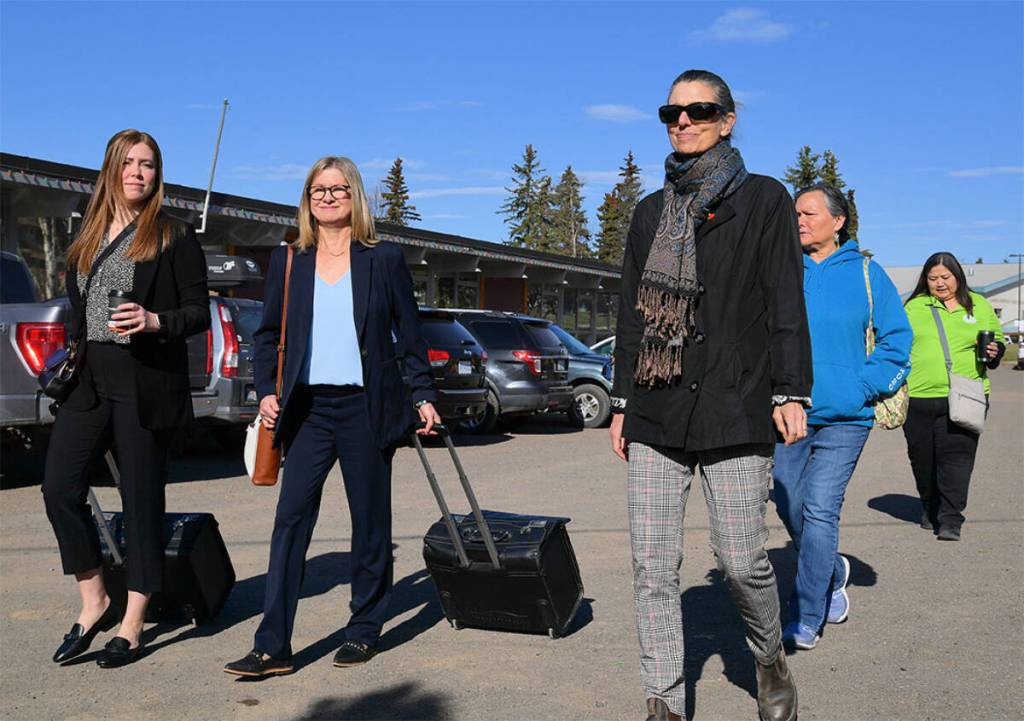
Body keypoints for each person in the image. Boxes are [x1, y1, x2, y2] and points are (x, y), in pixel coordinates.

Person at [608, 69, 811, 721]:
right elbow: (632, 316)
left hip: (736, 399)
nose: (683, 120)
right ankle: (663, 700)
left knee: (742, 557)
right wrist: (620, 402)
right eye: (672, 110)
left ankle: (769, 656)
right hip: (658, 404)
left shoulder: (765, 201)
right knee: (651, 564)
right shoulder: (650, 213)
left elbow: (784, 296)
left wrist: (790, 389)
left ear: (727, 119)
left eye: (700, 109)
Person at [224, 156, 440, 679]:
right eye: (317, 190)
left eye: (337, 189)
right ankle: (272, 646)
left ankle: (363, 629)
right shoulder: (290, 259)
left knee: (369, 524)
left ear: (354, 196)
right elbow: (266, 335)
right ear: (307, 199)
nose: (327, 197)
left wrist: (424, 395)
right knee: (290, 520)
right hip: (307, 410)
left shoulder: (383, 258)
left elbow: (409, 336)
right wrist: (265, 390)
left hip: (366, 407)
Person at [43, 129, 211, 668]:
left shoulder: (172, 235)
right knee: (58, 487)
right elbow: (78, 309)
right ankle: (94, 598)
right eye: (130, 163)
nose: (139, 173)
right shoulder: (86, 235)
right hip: (91, 378)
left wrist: (155, 319)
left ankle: (135, 618)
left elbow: (197, 314)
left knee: (141, 502)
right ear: (112, 168)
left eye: (149, 165)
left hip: (144, 382)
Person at [772, 183, 912, 651]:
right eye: (795, 214)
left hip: (847, 418)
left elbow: (897, 338)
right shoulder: (781, 270)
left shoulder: (868, 273)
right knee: (790, 504)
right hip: (788, 415)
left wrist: (863, 387)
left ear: (838, 222)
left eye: (809, 214)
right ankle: (832, 569)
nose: (799, 221)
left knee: (819, 508)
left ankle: (807, 613)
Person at [902, 252, 1005, 541]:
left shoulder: (979, 305)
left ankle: (950, 518)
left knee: (957, 458)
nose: (940, 283)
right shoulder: (914, 307)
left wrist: (994, 351)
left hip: (967, 395)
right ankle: (929, 504)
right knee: (922, 459)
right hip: (919, 396)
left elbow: (995, 340)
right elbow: (896, 342)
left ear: (957, 277)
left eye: (945, 277)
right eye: (933, 278)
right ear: (926, 280)